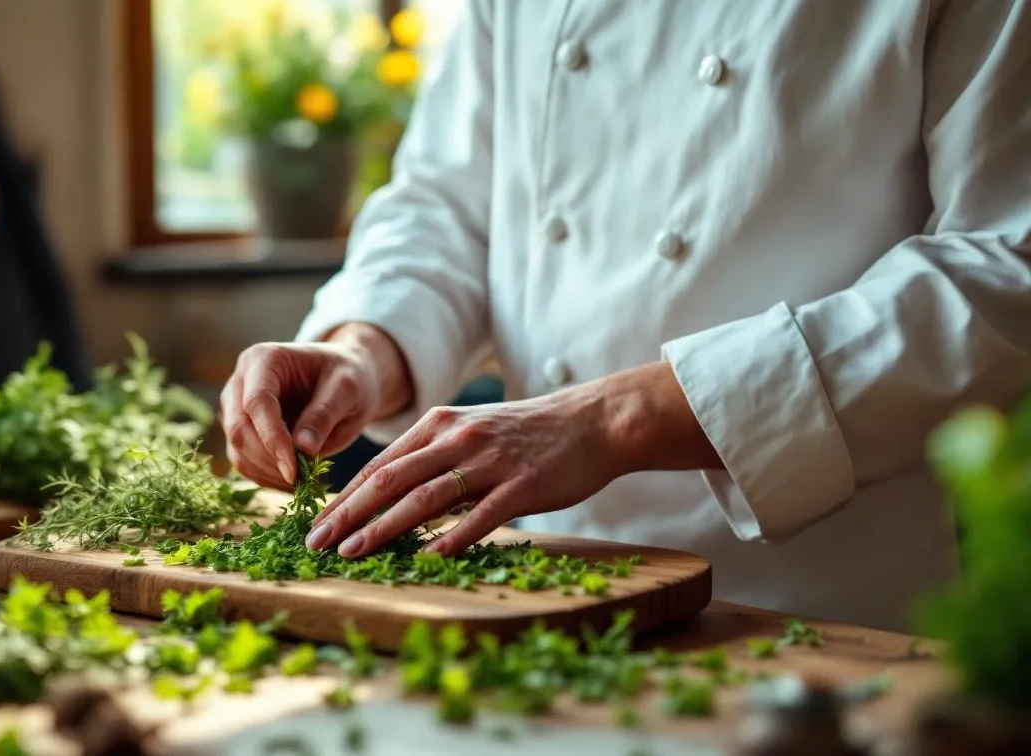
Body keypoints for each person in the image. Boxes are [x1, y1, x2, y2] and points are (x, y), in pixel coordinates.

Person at [219, 1, 1031, 631]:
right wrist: (363, 349)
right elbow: (449, 205)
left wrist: (615, 418)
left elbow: (1004, 271)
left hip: (813, 603)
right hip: (533, 579)